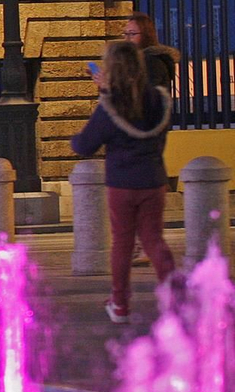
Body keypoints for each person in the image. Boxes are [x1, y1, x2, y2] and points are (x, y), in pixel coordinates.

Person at [70, 40, 174, 324]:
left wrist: (104, 99)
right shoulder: (158, 99)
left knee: (123, 244)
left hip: (122, 184)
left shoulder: (110, 107)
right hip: (153, 180)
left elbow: (84, 145)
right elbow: (160, 137)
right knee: (154, 239)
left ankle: (120, 304)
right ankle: (173, 297)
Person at [123, 11, 179, 93]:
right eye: (125, 34)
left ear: (145, 35)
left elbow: (146, 95)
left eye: (132, 34)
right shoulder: (134, 59)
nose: (127, 39)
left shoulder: (151, 61)